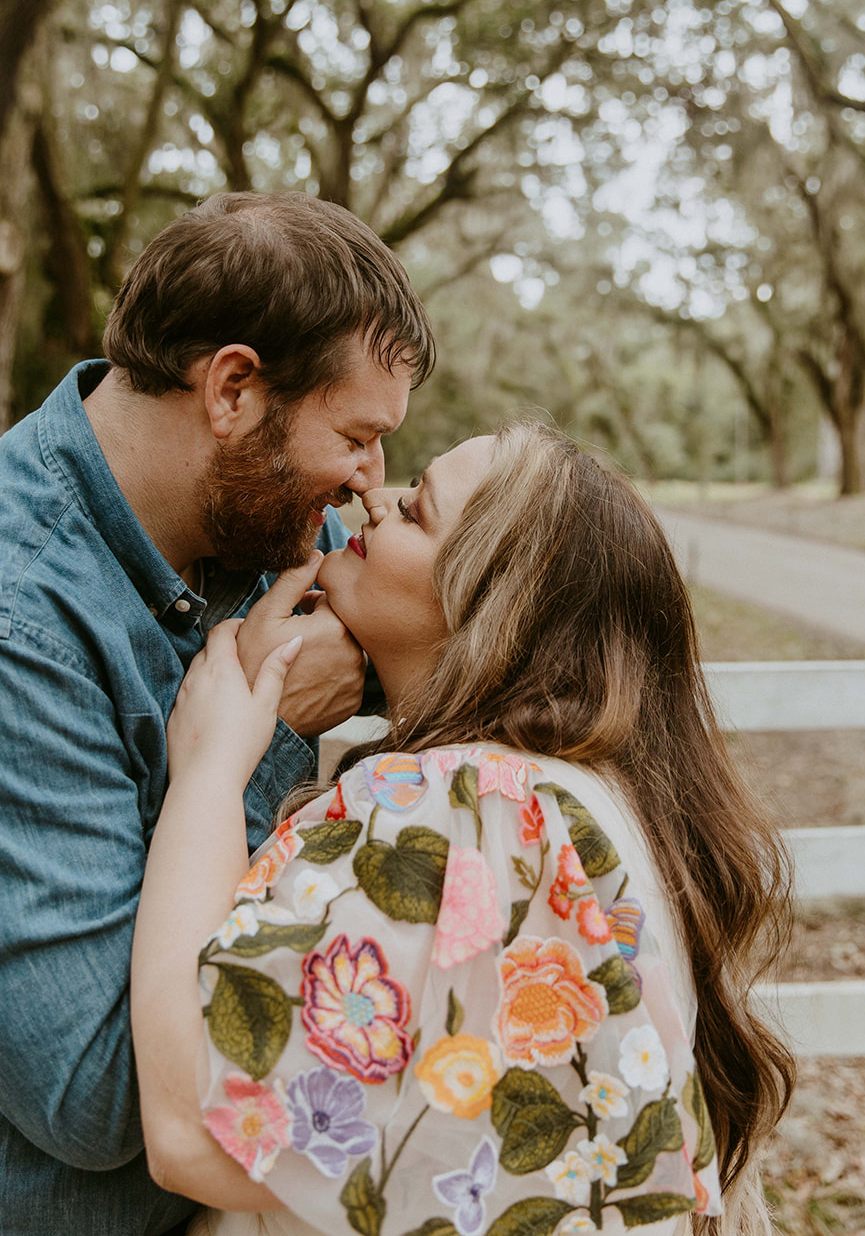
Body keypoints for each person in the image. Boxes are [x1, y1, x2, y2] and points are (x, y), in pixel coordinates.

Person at [131, 421, 794, 1236]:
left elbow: (194, 1136)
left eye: (415, 510)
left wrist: (209, 767)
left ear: (489, 598)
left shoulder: (461, 807)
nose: (374, 499)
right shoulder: (584, 798)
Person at [0, 192, 434, 1236]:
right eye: (358, 436)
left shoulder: (251, 525)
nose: (370, 487)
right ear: (231, 386)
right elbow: (95, 1094)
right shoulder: (0, 628)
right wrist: (263, 729)